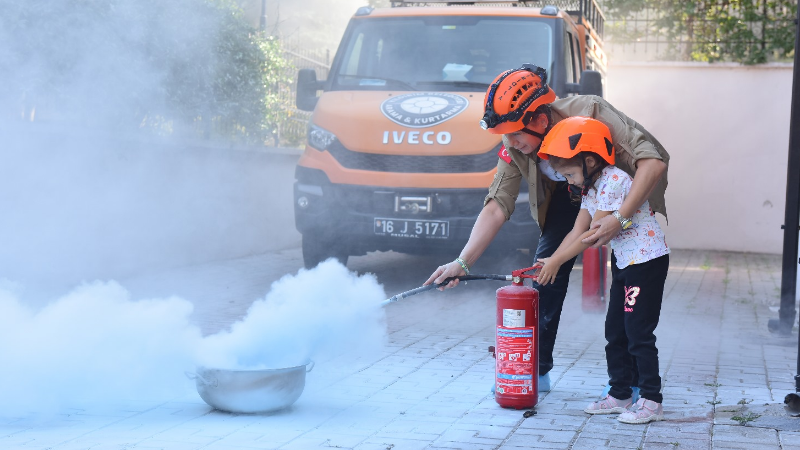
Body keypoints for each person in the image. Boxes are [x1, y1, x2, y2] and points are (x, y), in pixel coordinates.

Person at [423, 64, 670, 395]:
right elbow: (497, 205)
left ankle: (638, 384)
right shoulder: (514, 146)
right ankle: (534, 372)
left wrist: (620, 218)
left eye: (515, 133)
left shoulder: (591, 112)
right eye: (505, 135)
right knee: (545, 275)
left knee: (627, 296)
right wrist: (462, 263)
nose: (510, 142)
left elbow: (651, 163)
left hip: (620, 192)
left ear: (541, 119)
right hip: (574, 198)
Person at [535, 116, 669, 424]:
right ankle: (620, 394)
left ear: (590, 160)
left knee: (638, 332)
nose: (567, 180)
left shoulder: (613, 180)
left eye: (569, 173)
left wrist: (557, 261)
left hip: (645, 262)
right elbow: (575, 231)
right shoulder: (591, 189)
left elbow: (591, 235)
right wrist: (552, 258)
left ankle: (651, 399)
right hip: (625, 261)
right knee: (615, 330)